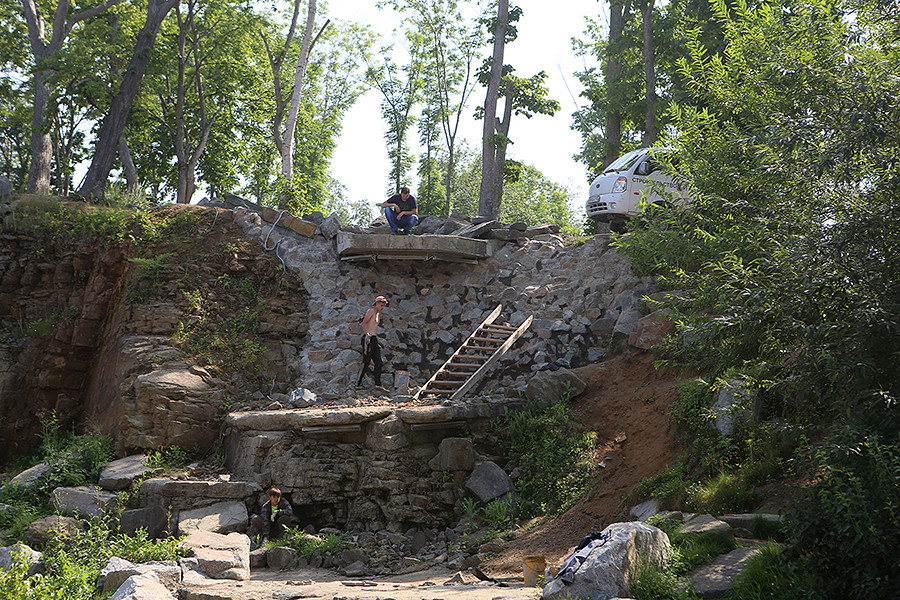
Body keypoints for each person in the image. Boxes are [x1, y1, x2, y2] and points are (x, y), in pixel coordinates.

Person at [356, 295, 388, 389]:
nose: (382, 307)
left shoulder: (378, 314)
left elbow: (374, 327)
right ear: (377, 304)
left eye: (384, 306)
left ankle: (378, 384)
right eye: (381, 305)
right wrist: (367, 335)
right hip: (368, 338)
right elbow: (364, 323)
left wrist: (376, 338)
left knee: (378, 361)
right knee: (366, 361)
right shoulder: (371, 311)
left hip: (374, 338)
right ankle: (358, 383)